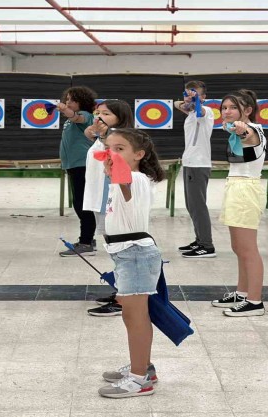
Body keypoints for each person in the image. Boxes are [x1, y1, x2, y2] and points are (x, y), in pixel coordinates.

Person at [97, 128, 166, 398]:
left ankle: (139, 380)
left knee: (136, 317)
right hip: (126, 253)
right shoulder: (124, 180)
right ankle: (143, 366)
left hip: (135, 253)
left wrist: (113, 167)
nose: (112, 153)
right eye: (109, 148)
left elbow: (125, 179)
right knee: (131, 315)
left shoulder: (135, 179)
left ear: (139, 154)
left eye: (120, 148)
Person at [210, 90, 266, 317]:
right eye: (224, 107)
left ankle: (255, 301)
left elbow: (248, 135)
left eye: (233, 107)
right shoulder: (234, 129)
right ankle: (243, 293)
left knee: (248, 249)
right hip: (236, 187)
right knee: (238, 247)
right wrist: (234, 127)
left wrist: (242, 130)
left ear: (248, 110)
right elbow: (233, 129)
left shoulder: (253, 130)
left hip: (245, 190)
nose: (227, 111)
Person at [82, 100, 134, 317]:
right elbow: (91, 136)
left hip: (113, 200)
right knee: (114, 248)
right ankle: (122, 291)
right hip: (101, 199)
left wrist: (102, 135)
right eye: (98, 112)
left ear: (120, 117)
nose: (99, 117)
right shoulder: (105, 135)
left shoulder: (122, 138)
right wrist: (96, 132)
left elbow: (114, 153)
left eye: (106, 113)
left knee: (121, 248)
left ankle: (126, 298)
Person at [174, 80, 216, 258]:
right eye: (186, 93)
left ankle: (207, 245)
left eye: (195, 94)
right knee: (191, 206)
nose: (188, 97)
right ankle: (200, 240)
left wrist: (195, 100)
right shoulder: (191, 112)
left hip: (199, 164)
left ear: (203, 97)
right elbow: (177, 104)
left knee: (198, 206)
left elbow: (201, 110)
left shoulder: (206, 112)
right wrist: (188, 101)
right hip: (190, 163)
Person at [57, 86, 98, 257]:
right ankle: (89, 239)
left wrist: (65, 110)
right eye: (67, 100)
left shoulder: (85, 115)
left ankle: (86, 243)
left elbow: (77, 117)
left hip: (82, 165)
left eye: (72, 100)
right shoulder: (70, 119)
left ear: (82, 102)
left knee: (82, 204)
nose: (68, 103)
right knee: (79, 202)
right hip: (73, 165)